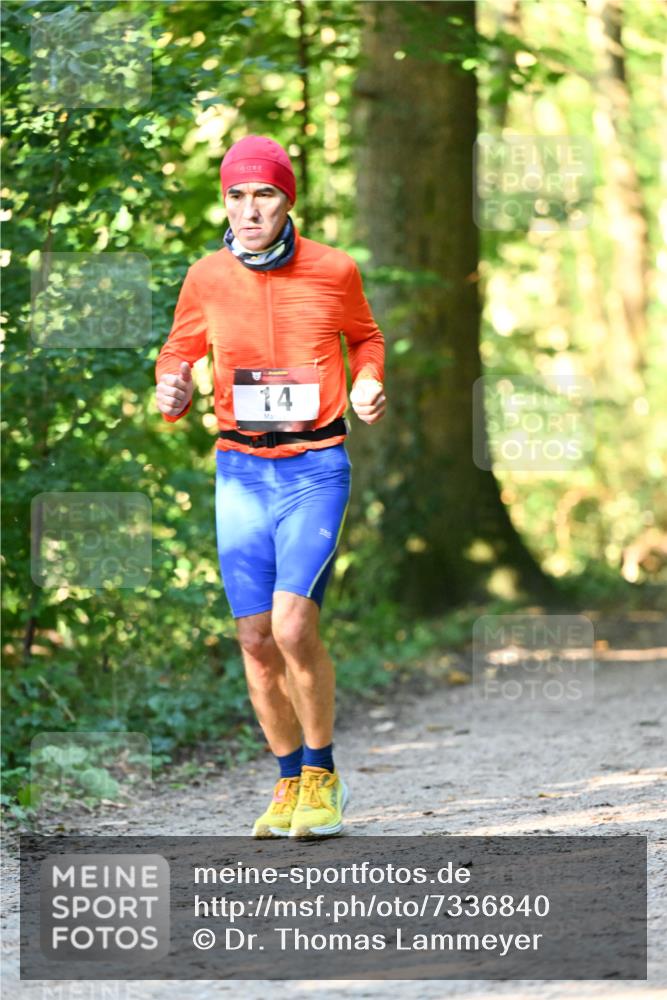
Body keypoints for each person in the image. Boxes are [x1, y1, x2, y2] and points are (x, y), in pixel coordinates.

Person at [155, 135, 385, 839]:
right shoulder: (205, 276)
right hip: (241, 470)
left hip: (314, 466)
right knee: (254, 638)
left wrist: (369, 381)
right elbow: (179, 351)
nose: (249, 208)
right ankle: (287, 783)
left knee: (292, 626)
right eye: (236, 195)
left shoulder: (333, 269)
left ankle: (322, 775)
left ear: (288, 200)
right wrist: (171, 389)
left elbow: (366, 337)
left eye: (263, 194)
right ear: (224, 201)